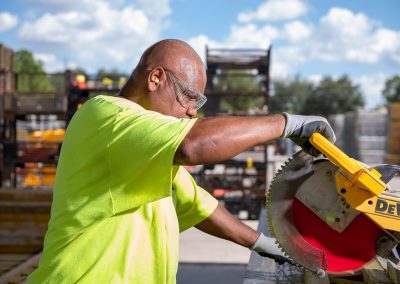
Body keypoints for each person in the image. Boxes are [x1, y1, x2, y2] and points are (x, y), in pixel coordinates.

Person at [28, 39, 336, 284]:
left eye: (198, 103)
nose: (192, 111)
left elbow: (196, 205)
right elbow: (193, 144)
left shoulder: (144, 151)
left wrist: (265, 244)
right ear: (156, 78)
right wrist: (287, 124)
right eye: (189, 96)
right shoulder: (107, 115)